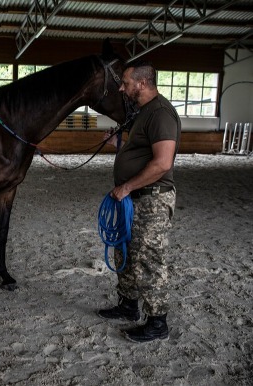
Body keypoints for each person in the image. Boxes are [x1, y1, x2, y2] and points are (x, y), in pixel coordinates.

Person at [97, 60, 181, 343]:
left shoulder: (161, 114)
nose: (122, 87)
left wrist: (127, 186)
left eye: (126, 82)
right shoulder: (142, 113)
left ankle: (158, 322)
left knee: (149, 259)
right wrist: (118, 142)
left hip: (152, 199)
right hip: (135, 198)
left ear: (143, 83)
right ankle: (128, 306)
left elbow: (162, 163)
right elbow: (141, 148)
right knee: (127, 253)